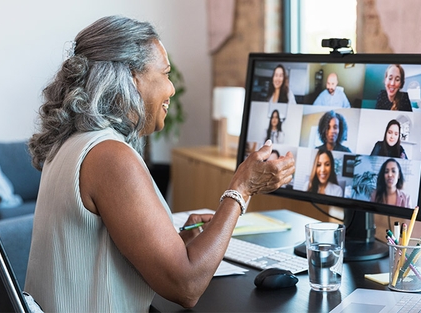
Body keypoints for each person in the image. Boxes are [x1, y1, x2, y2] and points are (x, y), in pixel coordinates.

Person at [24, 16, 295, 312]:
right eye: (165, 74)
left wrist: (177, 242)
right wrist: (241, 189)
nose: (171, 89)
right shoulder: (109, 157)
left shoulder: (72, 141)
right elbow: (187, 287)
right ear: (130, 77)